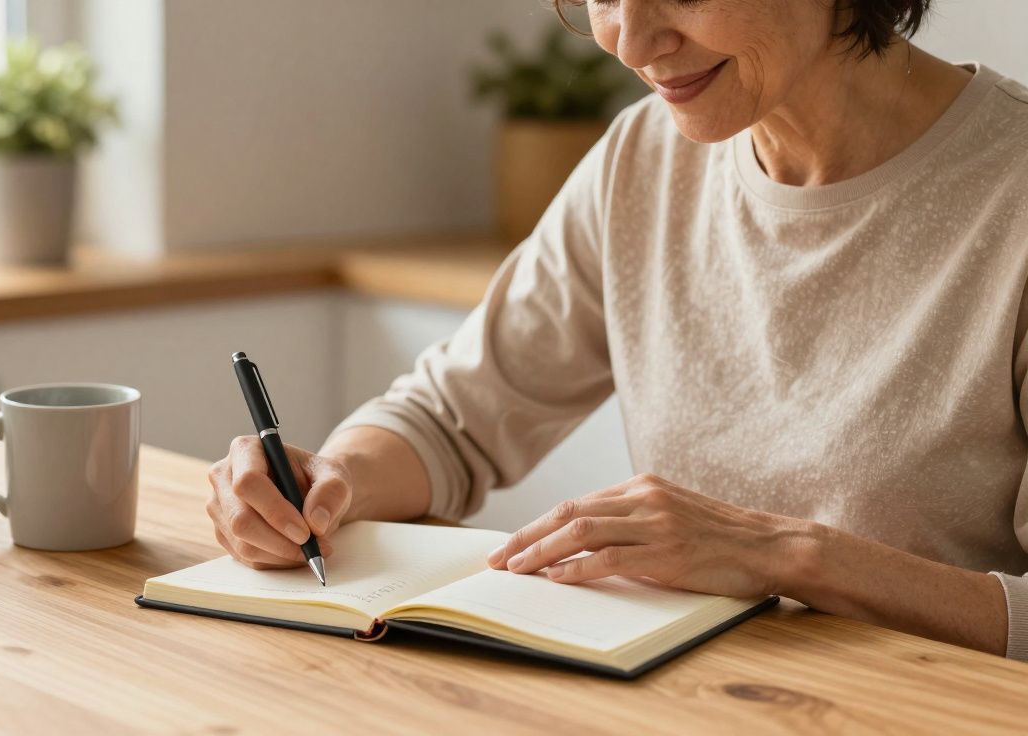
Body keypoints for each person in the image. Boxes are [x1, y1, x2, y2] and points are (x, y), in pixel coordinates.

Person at [206, 0, 1028, 659]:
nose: (631, 39)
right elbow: (449, 419)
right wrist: (320, 484)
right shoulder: (643, 159)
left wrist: (788, 556)